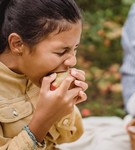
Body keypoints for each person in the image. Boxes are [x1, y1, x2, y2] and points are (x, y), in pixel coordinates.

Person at [0, 0, 88, 149]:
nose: (73, 60)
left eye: (75, 48)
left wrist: (65, 106)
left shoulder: (41, 76)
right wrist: (43, 121)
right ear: (17, 44)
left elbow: (70, 137)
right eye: (61, 52)